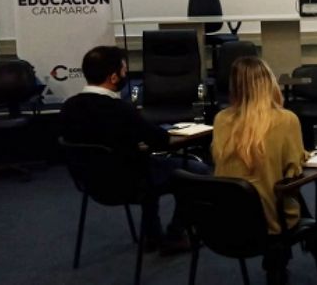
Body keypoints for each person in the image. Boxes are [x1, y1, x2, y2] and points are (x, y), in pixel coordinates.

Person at [59, 46, 209, 254]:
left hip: (91, 183)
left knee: (146, 164)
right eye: (123, 70)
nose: (125, 74)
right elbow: (160, 140)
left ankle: (153, 235)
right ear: (113, 77)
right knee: (197, 171)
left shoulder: (68, 107)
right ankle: (175, 234)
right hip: (129, 182)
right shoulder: (119, 109)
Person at [211, 57, 308, 283]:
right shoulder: (286, 120)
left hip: (226, 220)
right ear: (268, 82)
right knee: (287, 190)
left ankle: (284, 255)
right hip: (269, 224)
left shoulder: (220, 120)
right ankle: (285, 256)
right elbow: (294, 172)